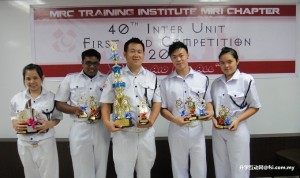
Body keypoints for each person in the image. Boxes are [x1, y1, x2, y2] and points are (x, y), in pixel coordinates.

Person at [100, 37, 161, 178]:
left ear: (144, 55)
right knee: (123, 174)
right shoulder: (114, 76)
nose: (136, 54)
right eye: (132, 51)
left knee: (145, 173)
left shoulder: (152, 77)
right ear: (125, 54)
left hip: (146, 134)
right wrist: (107, 122)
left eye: (139, 51)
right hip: (123, 134)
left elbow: (157, 102)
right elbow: (105, 103)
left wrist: (151, 120)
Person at [160, 41, 214, 178]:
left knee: (199, 168)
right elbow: (163, 109)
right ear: (171, 59)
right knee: (178, 168)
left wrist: (210, 112)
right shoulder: (165, 83)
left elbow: (208, 103)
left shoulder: (202, 79)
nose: (178, 59)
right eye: (174, 56)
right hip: (177, 130)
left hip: (197, 129)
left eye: (181, 55)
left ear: (188, 55)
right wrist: (175, 119)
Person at [55, 49, 110, 178]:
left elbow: (113, 104)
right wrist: (74, 109)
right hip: (79, 126)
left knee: (101, 166)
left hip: (101, 126)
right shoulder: (70, 79)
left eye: (95, 63)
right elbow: (59, 103)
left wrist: (103, 111)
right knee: (80, 166)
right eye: (88, 62)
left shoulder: (108, 80)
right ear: (82, 62)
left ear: (99, 63)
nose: (92, 66)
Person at [210, 47, 262, 178]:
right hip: (218, 131)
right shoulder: (216, 83)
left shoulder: (246, 80)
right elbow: (210, 105)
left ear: (237, 61)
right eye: (222, 62)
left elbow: (255, 106)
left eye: (229, 61)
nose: (226, 65)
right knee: (221, 167)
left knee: (240, 168)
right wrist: (213, 119)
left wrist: (238, 120)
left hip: (237, 129)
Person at [10, 63, 63, 178]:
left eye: (35, 78)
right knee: (30, 175)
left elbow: (58, 117)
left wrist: (49, 124)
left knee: (50, 175)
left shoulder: (52, 97)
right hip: (24, 144)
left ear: (42, 78)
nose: (32, 82)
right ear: (24, 79)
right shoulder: (16, 98)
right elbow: (13, 116)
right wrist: (15, 124)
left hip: (45, 142)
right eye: (28, 79)